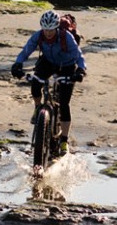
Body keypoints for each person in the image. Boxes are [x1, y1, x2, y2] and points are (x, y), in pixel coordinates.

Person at [11, 10, 87, 153]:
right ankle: (38, 107)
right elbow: (26, 50)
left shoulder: (66, 37)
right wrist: (18, 64)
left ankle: (64, 140)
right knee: (35, 84)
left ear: (56, 27)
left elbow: (79, 55)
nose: (48, 33)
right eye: (45, 30)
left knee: (64, 103)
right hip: (48, 61)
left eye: (51, 30)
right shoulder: (38, 36)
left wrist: (81, 70)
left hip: (67, 66)